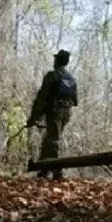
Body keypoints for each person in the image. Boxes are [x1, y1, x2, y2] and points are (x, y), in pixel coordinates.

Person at [27, 49, 78, 180]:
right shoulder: (71, 78)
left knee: (53, 140)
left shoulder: (52, 76)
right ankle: (43, 170)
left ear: (58, 61)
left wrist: (33, 118)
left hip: (55, 112)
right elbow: (75, 100)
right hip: (67, 112)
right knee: (49, 139)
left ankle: (57, 172)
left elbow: (41, 98)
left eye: (55, 59)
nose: (54, 61)